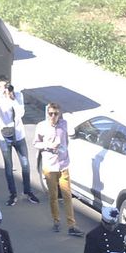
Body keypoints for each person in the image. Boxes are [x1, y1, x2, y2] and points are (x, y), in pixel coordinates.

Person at [0, 77, 35, 206]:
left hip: (18, 135)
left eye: (7, 85)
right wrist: (0, 98)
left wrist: (12, 99)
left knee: (25, 164)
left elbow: (21, 113)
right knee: (8, 166)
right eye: (3, 86)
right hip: (4, 136)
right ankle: (12, 194)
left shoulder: (18, 95)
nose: (5, 89)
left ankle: (28, 191)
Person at [33, 101, 80, 236]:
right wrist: (48, 145)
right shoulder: (41, 126)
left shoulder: (63, 124)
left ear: (60, 114)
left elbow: (66, 139)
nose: (53, 116)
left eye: (55, 114)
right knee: (53, 196)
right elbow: (35, 143)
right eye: (50, 114)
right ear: (47, 114)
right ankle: (56, 220)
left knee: (67, 195)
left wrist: (64, 150)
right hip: (49, 166)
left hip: (63, 164)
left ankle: (71, 225)